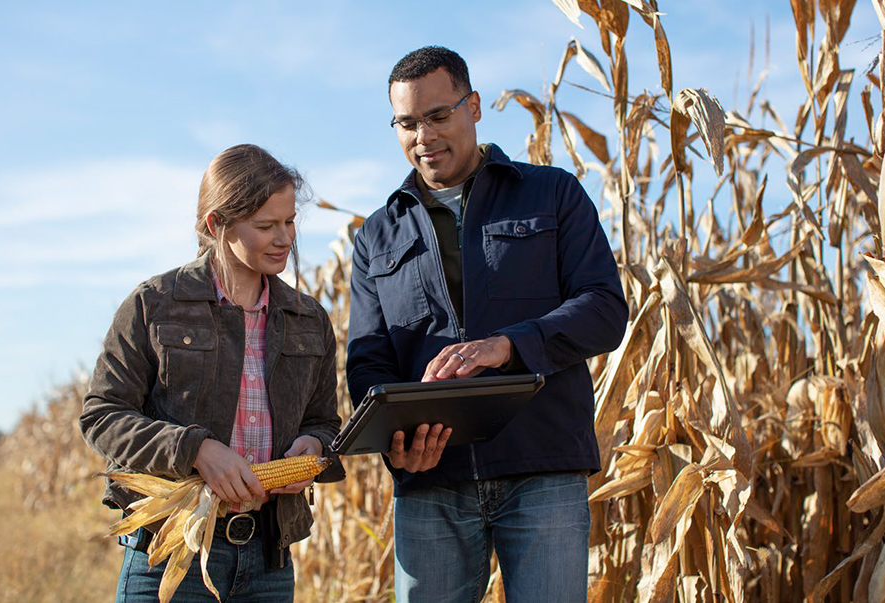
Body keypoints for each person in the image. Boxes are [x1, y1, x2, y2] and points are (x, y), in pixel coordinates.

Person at [346, 46, 629, 602]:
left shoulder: (552, 193)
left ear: (473, 107)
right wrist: (394, 444)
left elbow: (604, 310)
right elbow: (368, 362)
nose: (422, 137)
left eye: (437, 116)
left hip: (541, 466)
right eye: (406, 123)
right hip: (431, 480)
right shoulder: (376, 236)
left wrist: (507, 346)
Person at [80, 144, 341, 602]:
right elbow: (102, 415)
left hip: (268, 560)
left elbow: (325, 421)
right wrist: (195, 449)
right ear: (216, 224)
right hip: (170, 554)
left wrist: (314, 445)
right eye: (266, 226)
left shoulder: (309, 319)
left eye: (289, 222)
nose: (284, 239)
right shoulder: (153, 304)